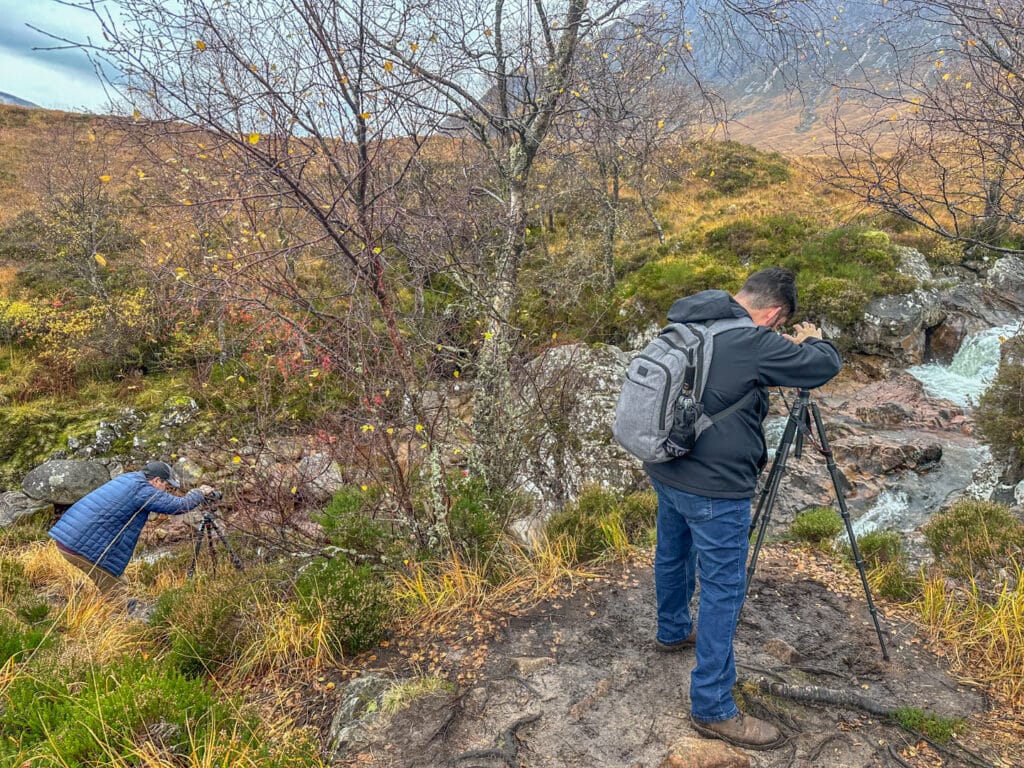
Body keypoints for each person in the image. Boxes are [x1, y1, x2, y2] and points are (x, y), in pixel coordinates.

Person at [646, 267, 842, 750]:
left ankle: (671, 630)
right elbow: (821, 367)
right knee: (723, 588)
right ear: (774, 314)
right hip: (715, 489)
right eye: (779, 326)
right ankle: (713, 706)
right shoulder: (753, 340)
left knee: (672, 553)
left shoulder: (687, 323)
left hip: (666, 466)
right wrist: (815, 339)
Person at [49, 460, 215, 599]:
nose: (166, 489)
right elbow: (180, 506)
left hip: (70, 537)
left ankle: (109, 616)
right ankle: (117, 629)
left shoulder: (130, 478)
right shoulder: (143, 491)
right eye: (166, 485)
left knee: (119, 581)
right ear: (157, 481)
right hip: (80, 547)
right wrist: (199, 493)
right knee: (117, 590)